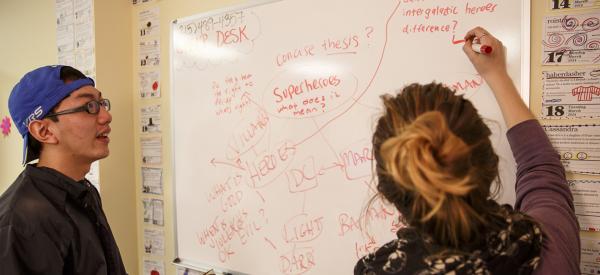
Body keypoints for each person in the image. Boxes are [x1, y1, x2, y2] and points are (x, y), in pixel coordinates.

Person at [355, 27, 580, 274]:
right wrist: (497, 75)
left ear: (387, 193)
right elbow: (540, 167)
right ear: (491, 163)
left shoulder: (374, 270)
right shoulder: (548, 244)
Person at [0, 65, 127, 274]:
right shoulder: (21, 222)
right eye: (89, 107)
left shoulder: (83, 192)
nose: (106, 116)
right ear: (44, 131)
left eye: (101, 103)